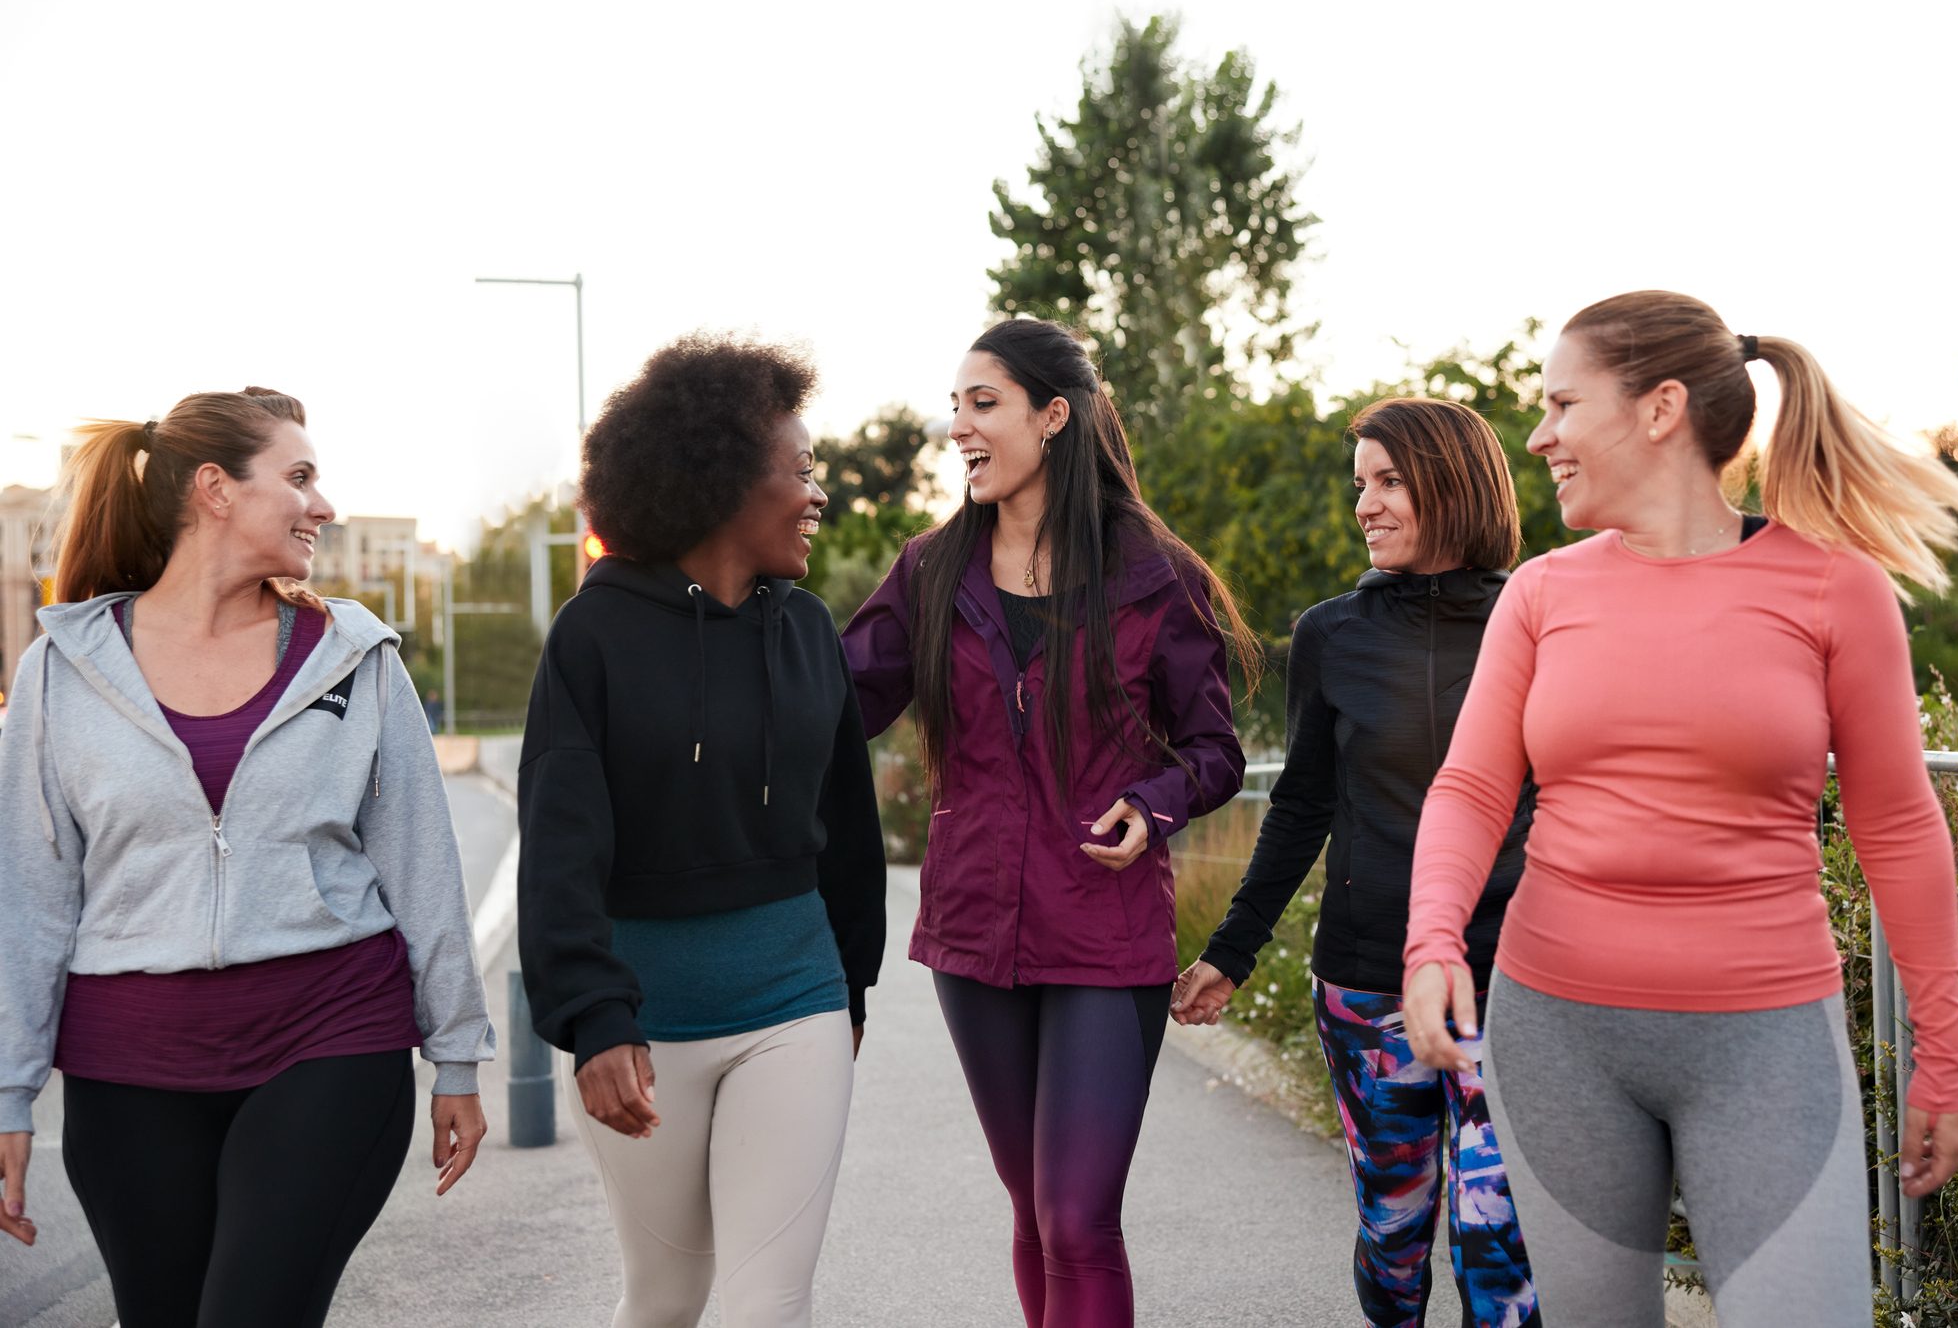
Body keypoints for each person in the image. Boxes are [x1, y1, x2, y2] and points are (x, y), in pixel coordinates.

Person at [1400, 291, 1958, 1325]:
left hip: (1764, 1045)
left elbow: (1896, 827)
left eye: (1560, 404)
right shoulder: (1540, 594)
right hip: (1557, 1036)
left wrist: (1943, 1059)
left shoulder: (1831, 591)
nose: (1537, 436)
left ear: (1658, 407)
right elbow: (1469, 787)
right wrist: (1430, 942)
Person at [0, 387, 494, 1328]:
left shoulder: (353, 656)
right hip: (129, 1064)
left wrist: (459, 1057)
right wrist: (9, 1089)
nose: (325, 504)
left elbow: (422, 864)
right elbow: (29, 893)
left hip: (330, 1040)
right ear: (216, 490)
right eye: (300, 478)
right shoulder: (63, 669)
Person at [842, 318, 1259, 1328]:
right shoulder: (930, 569)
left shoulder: (1156, 577)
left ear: (1053, 416)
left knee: (1077, 1216)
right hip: (973, 931)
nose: (958, 428)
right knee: (1030, 1210)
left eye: (981, 403)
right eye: (955, 407)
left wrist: (1152, 805)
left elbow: (1213, 753)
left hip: (1103, 930)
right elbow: (838, 701)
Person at [517, 333, 887, 1328]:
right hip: (642, 1026)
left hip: (796, 1001)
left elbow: (846, 829)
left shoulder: (808, 630)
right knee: (667, 1296)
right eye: (800, 469)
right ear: (721, 475)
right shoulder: (591, 639)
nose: (817, 493)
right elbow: (557, 844)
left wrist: (850, 984)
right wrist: (590, 1014)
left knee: (767, 1305)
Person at [1172, 397, 1540, 1328]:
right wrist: (1232, 949)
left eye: (1389, 482)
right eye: (1359, 487)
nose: (1365, 505)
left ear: (1452, 487)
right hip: (1369, 981)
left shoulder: (1538, 622)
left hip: (1515, 977)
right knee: (1394, 1233)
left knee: (1501, 1237)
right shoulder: (1331, 634)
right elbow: (1302, 806)